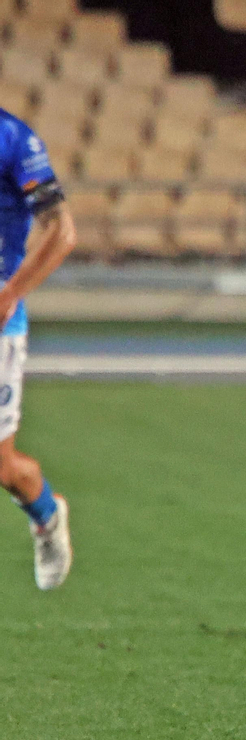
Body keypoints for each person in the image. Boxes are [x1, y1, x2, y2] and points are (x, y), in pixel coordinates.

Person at [0, 106, 76, 590]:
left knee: (3, 466)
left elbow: (61, 232)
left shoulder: (12, 140)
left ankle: (46, 514)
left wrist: (10, 293)